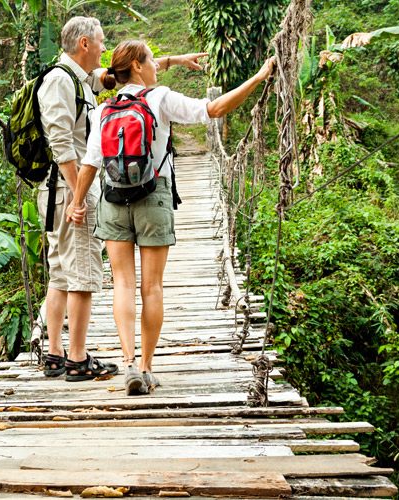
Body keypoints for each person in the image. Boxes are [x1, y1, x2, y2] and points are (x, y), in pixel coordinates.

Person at [67, 39, 274, 394]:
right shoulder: (159, 98)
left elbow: (90, 164)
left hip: (113, 200)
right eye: (150, 60)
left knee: (122, 285)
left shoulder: (102, 111)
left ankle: (129, 362)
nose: (154, 66)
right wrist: (258, 77)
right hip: (153, 196)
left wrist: (77, 202)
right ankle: (147, 367)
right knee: (152, 287)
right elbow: (215, 108)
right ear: (136, 66)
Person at [37, 19, 208, 381]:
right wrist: (77, 198)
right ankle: (77, 360)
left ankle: (55, 354)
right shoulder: (59, 80)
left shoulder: (81, 78)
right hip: (69, 188)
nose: (104, 49)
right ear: (84, 43)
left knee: (62, 273)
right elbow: (62, 146)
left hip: (75, 189)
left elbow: (129, 74)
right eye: (100, 43)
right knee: (81, 272)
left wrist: (174, 61)